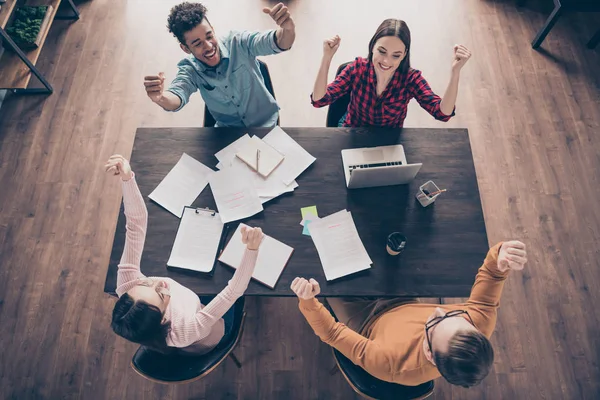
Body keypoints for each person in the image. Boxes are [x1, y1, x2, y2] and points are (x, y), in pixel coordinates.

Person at [291, 241, 528, 387]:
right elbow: (493, 274)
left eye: (435, 323)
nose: (436, 310)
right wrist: (501, 255)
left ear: (429, 353)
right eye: (455, 316)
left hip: (363, 319)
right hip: (402, 299)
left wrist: (308, 301)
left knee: (327, 270)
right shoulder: (478, 323)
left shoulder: (390, 364)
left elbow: (332, 333)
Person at [106, 154, 264, 354]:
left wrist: (127, 180)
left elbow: (136, 225)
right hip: (206, 334)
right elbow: (233, 291)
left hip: (195, 304)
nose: (160, 283)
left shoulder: (127, 283)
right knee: (228, 316)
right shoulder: (186, 331)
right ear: (163, 318)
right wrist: (252, 249)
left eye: (145, 283)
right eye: (160, 294)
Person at [143, 2, 296, 127]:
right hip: (226, 136)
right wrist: (160, 97)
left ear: (213, 30)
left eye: (209, 36)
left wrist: (288, 28)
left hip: (265, 126)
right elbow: (177, 95)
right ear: (185, 48)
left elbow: (279, 42)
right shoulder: (190, 69)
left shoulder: (239, 42)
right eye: (197, 44)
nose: (209, 46)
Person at [311, 18, 472, 128]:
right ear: (373, 46)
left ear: (404, 54)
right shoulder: (357, 69)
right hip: (352, 131)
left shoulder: (410, 79)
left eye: (396, 55)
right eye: (382, 51)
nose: (387, 61)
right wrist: (327, 58)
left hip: (389, 141)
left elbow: (442, 113)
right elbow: (319, 100)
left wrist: (455, 72)